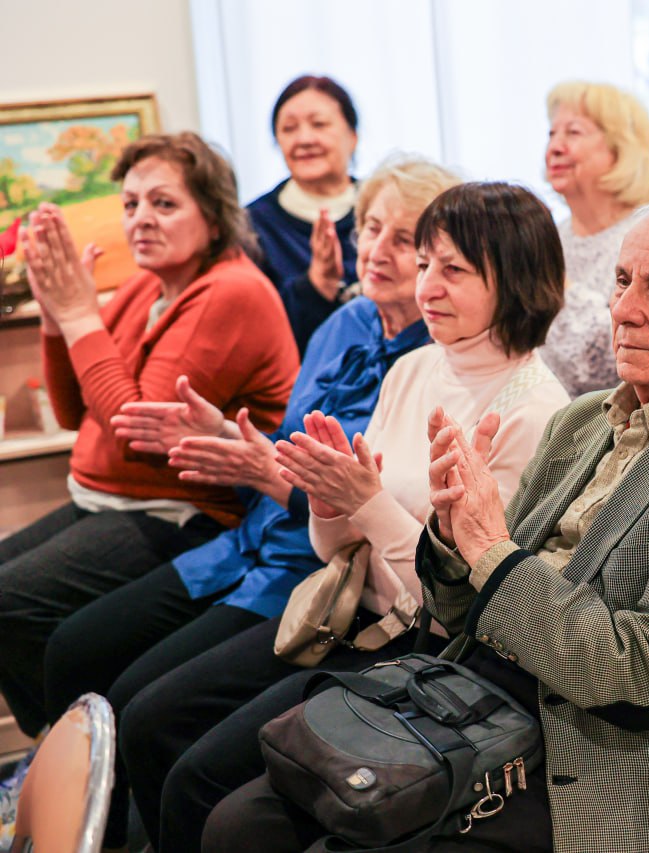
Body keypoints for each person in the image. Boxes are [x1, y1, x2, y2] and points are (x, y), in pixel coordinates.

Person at [201, 200, 649, 853]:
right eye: (622, 280)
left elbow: (638, 678)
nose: (624, 307)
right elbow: (466, 609)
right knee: (240, 823)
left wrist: (490, 549)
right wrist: (452, 529)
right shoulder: (582, 423)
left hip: (610, 761)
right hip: (486, 698)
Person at [116, 181, 569, 853]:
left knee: (202, 783)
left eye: (454, 270)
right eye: (425, 266)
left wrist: (367, 502)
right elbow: (338, 547)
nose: (428, 288)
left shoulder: (537, 412)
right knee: (153, 718)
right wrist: (330, 500)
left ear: (518, 282)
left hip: (426, 652)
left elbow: (468, 609)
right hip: (347, 614)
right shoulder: (415, 368)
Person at [39, 155, 458, 850]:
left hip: (317, 574)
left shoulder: (430, 363)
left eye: (404, 238)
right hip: (245, 543)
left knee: (147, 709)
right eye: (370, 227)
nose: (377, 250)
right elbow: (281, 445)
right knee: (82, 654)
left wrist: (268, 470)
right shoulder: (346, 324)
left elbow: (358, 502)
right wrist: (229, 441)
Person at [0, 131, 298, 745]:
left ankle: (75, 773)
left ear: (213, 216)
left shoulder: (232, 291)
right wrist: (59, 323)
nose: (140, 219)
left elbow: (137, 430)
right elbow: (71, 407)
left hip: (188, 510)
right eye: (131, 203)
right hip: (115, 500)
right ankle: (60, 756)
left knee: (15, 605)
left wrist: (81, 314)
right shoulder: (147, 285)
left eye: (164, 203)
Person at [540, 80, 649, 396]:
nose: (554, 147)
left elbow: (617, 356)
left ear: (620, 148)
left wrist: (552, 281)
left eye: (573, 133)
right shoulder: (551, 237)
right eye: (552, 134)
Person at [247, 74, 361, 353]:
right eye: (289, 128)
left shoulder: (387, 210)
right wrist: (316, 285)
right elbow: (255, 332)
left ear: (352, 136)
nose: (304, 139)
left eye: (319, 124)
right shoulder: (251, 225)